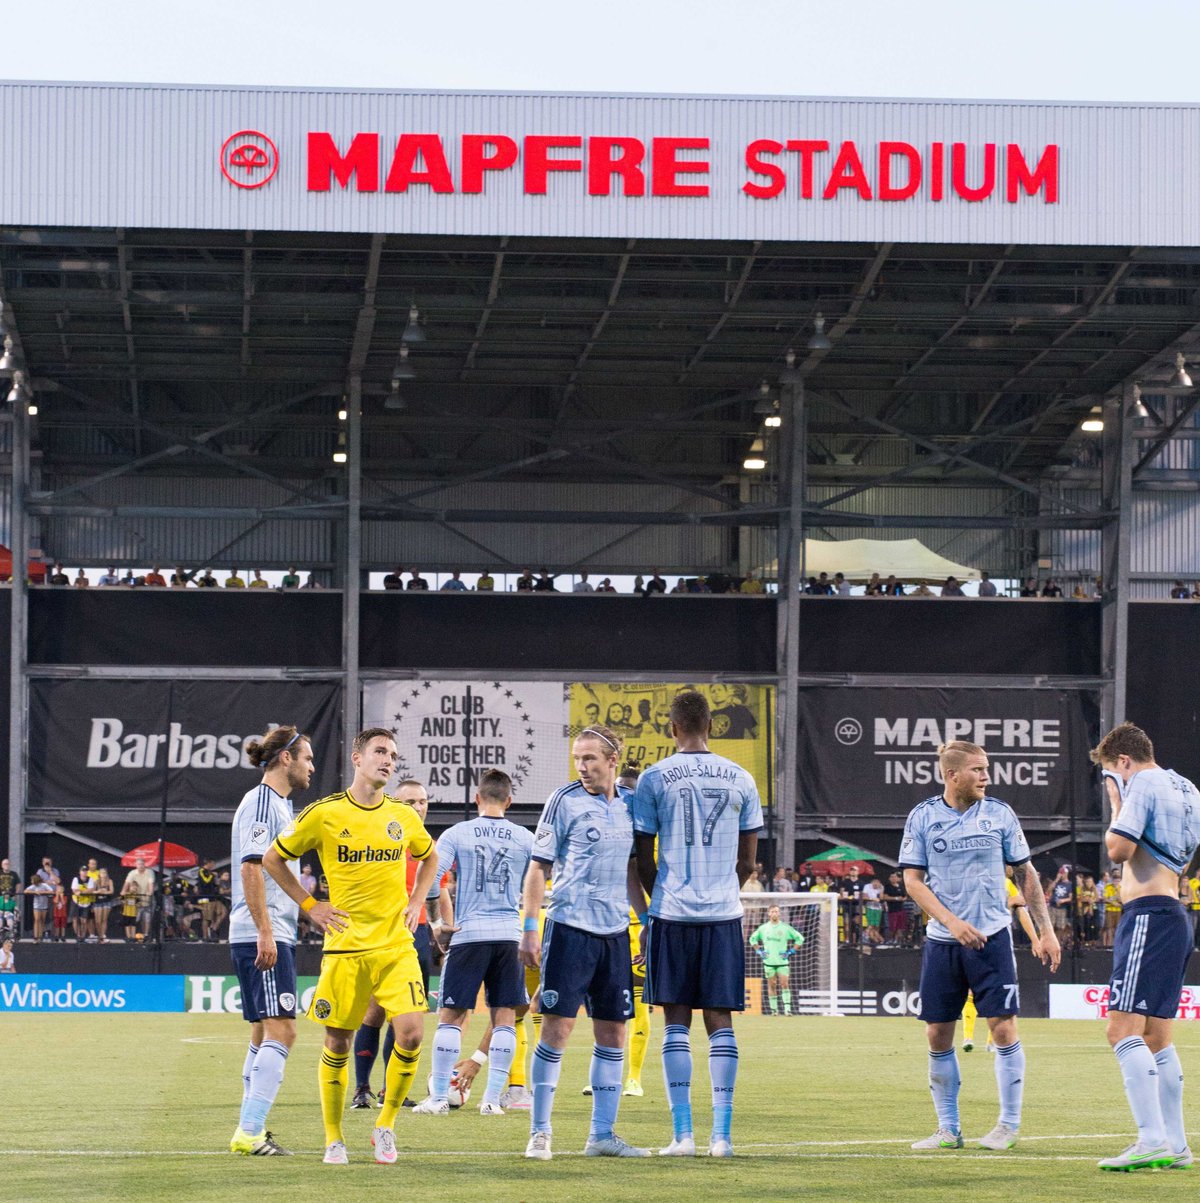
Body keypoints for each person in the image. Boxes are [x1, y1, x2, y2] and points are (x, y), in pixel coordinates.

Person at [263, 728, 438, 1166]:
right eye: (380, 752)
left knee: (413, 1033)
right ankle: (334, 1138)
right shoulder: (324, 813)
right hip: (344, 950)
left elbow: (431, 856)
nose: (388, 760)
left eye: (394, 755)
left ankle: (386, 1125)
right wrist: (309, 905)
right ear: (357, 758)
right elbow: (272, 858)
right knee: (338, 1042)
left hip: (396, 946)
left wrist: (417, 901)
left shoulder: (403, 815)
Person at [900, 739, 1060, 1153]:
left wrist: (1045, 932)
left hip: (993, 937)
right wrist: (952, 924)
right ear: (952, 775)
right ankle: (948, 1129)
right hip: (943, 941)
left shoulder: (1000, 815)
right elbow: (912, 881)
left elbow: (1026, 874)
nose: (986, 776)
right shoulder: (923, 817)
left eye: (987, 768)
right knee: (938, 1033)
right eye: (977, 769)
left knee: (1003, 1027)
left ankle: (1007, 1125)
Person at [633, 689, 762, 1158]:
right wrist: (724, 888)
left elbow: (642, 854)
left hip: (672, 912)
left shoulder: (654, 778)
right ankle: (721, 1138)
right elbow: (749, 860)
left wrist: (658, 898)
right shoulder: (742, 778)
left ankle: (683, 1136)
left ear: (672, 729)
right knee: (720, 1021)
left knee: (675, 1023)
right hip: (723, 914)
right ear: (712, 727)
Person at [519, 723, 650, 1161]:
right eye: (578, 758)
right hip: (570, 927)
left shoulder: (632, 806)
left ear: (613, 760)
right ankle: (540, 1132)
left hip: (614, 932)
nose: (582, 766)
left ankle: (602, 1136)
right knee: (558, 1027)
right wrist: (530, 927)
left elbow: (633, 872)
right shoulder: (564, 800)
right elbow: (538, 868)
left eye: (590, 758)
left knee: (614, 1031)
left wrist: (646, 919)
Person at [1091, 722, 1200, 1171]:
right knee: (1157, 1036)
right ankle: (1176, 1145)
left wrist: (1118, 801)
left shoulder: (1144, 783)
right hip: (1175, 914)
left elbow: (1117, 850)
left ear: (1123, 762)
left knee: (1120, 1030)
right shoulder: (1188, 788)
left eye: (1115, 774)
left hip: (1148, 917)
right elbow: (1185, 857)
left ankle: (1151, 1138)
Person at [414, 769, 534, 1116]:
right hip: (509, 935)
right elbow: (536, 883)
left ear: (477, 798)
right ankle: (492, 1100)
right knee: (505, 1018)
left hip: (469, 935)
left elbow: (433, 879)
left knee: (451, 1016)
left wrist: (438, 924)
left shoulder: (456, 833)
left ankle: (437, 1098)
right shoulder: (524, 838)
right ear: (509, 801)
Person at [225, 725, 320, 1157]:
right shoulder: (264, 804)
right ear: (286, 758)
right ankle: (249, 1132)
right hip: (262, 934)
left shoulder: (280, 806)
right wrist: (266, 931)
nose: (311, 767)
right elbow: (251, 868)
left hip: (268, 931)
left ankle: (251, 1128)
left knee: (265, 1033)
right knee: (284, 1031)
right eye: (307, 758)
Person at [350, 780, 449, 1108]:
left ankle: (391, 1089)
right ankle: (361, 1088)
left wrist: (438, 928)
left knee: (406, 1015)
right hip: (381, 935)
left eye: (423, 801)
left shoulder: (429, 846)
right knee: (374, 1012)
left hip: (417, 935)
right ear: (396, 803)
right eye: (411, 801)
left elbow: (435, 892)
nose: (418, 807)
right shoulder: (381, 836)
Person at [749, 905, 804, 1016]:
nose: (774, 913)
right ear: (769, 914)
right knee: (772, 984)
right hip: (768, 962)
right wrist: (759, 951)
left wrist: (791, 951)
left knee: (784, 984)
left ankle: (787, 1010)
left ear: (779, 914)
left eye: (776, 911)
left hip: (782, 962)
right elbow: (752, 939)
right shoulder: (763, 928)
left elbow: (800, 938)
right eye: (772, 911)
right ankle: (774, 1010)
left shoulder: (785, 928)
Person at [120, 855, 156, 940]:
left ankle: (146, 935)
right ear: (136, 865)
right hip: (136, 899)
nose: (140, 866)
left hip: (147, 899)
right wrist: (123, 892)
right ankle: (131, 937)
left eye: (142, 864)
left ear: (144, 864)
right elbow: (127, 884)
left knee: (147, 919)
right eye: (138, 864)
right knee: (134, 919)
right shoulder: (132, 873)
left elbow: (151, 884)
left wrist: (150, 892)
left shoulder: (150, 872)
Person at [26, 856, 59, 940]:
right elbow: (37, 881)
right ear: (42, 863)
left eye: (48, 862)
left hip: (52, 897)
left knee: (51, 917)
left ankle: (52, 935)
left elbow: (57, 881)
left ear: (51, 862)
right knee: (37, 919)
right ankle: (37, 936)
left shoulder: (55, 871)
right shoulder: (40, 871)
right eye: (45, 862)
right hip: (40, 900)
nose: (47, 864)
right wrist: (50, 882)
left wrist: (50, 872)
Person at [91, 867, 114, 942]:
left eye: (104, 873)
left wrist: (104, 892)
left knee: (104, 920)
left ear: (106, 874)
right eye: (101, 873)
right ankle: (99, 935)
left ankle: (102, 936)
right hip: (97, 902)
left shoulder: (109, 881)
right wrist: (98, 891)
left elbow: (111, 891)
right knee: (98, 920)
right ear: (99, 874)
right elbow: (92, 892)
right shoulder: (96, 882)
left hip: (106, 901)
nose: (103, 874)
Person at [0, 859, 19, 938]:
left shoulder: (14, 874)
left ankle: (11, 935)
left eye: (7, 864)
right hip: (0, 897)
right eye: (4, 864)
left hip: (12, 897)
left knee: (10, 921)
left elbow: (18, 884)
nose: (6, 865)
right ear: (2, 865)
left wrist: (16, 893)